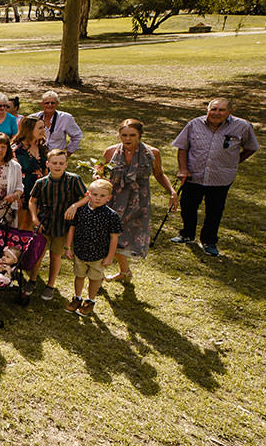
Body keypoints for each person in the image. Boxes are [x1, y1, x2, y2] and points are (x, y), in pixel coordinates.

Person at [82, 119, 178, 281]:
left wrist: (172, 192)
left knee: (125, 237)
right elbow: (101, 174)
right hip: (114, 200)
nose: (128, 139)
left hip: (138, 201)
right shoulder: (110, 152)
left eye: (132, 135)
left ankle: (124, 273)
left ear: (140, 135)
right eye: (124, 135)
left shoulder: (152, 153)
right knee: (105, 235)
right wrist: (97, 176)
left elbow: (159, 174)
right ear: (119, 135)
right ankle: (98, 274)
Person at [171, 98, 259, 256]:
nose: (216, 113)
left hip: (221, 177)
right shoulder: (194, 124)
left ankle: (209, 242)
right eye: (213, 109)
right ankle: (187, 234)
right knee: (188, 206)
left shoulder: (242, 126)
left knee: (214, 211)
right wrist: (183, 169)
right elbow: (182, 147)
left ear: (229, 112)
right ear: (207, 110)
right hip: (194, 175)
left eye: (221, 110)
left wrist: (235, 160)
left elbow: (251, 147)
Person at [28, 149, 87, 301]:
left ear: (66, 164)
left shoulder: (74, 180)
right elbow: (32, 201)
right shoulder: (41, 183)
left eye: (61, 163)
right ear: (48, 164)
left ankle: (50, 285)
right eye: (54, 163)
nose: (57, 166)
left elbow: (87, 197)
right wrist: (34, 218)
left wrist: (74, 206)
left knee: (56, 255)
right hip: (44, 224)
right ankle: (32, 280)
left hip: (63, 227)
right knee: (38, 253)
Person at [63, 179, 122, 318]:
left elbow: (114, 237)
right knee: (79, 275)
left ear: (109, 197)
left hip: (99, 254)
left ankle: (90, 301)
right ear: (88, 194)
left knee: (95, 278)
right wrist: (67, 247)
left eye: (102, 196)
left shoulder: (111, 215)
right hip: (80, 251)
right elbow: (72, 229)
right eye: (95, 194)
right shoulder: (81, 211)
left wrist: (109, 256)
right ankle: (77, 298)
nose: (98, 198)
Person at [12, 117, 48, 230]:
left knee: (31, 226)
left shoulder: (42, 147)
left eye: (44, 127)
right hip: (23, 189)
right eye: (40, 128)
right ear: (29, 129)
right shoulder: (17, 150)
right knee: (19, 226)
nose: (43, 131)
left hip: (38, 190)